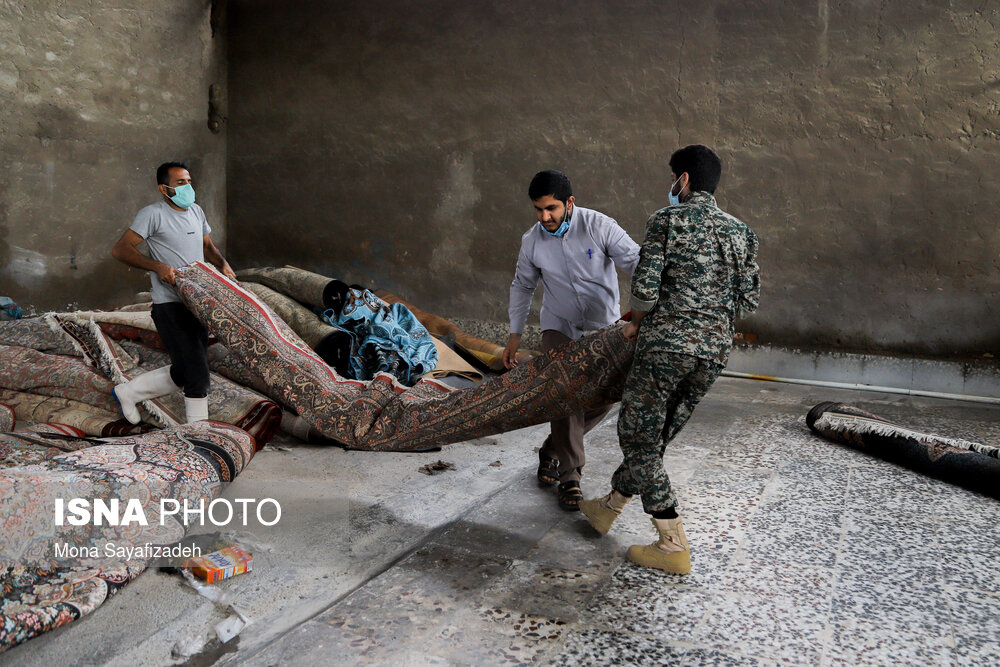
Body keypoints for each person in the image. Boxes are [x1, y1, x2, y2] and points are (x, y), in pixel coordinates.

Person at [580, 145, 760, 574]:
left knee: (637, 435)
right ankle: (609, 506)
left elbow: (645, 289)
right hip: (713, 352)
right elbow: (749, 301)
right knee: (656, 435)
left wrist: (636, 322)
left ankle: (671, 542)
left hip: (666, 346)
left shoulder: (667, 219)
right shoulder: (743, 233)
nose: (671, 185)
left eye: (673, 177)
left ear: (684, 179)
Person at [504, 170, 640, 511]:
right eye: (538, 209)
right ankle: (571, 477)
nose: (544, 217)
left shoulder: (600, 226)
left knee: (604, 397)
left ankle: (553, 449)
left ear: (569, 203)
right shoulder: (532, 241)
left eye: (551, 208)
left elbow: (638, 264)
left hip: (604, 327)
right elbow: (522, 286)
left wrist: (646, 311)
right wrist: (515, 335)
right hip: (559, 325)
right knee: (565, 392)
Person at [110, 161, 237, 424]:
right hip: (170, 306)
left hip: (198, 303)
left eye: (189, 182)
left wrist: (222, 263)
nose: (187, 187)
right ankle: (198, 433)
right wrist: (157, 266)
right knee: (197, 374)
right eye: (180, 183)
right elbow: (121, 250)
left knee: (185, 369)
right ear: (164, 189)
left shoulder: (196, 211)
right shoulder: (152, 214)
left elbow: (207, 245)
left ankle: (129, 392)